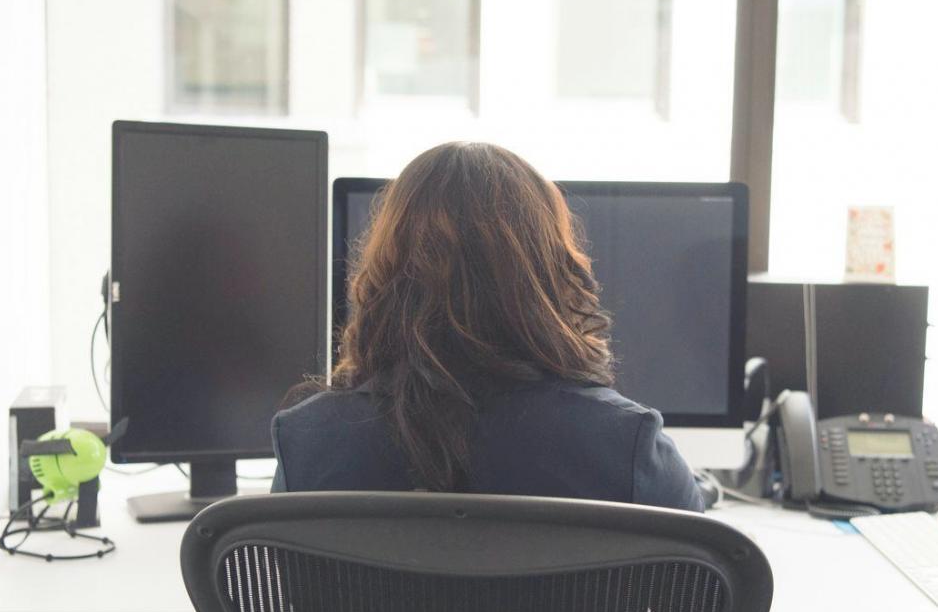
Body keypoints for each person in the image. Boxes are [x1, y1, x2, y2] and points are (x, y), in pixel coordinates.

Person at [270, 140, 703, 513]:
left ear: (386, 271)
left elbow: (285, 586)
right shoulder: (627, 444)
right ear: (548, 272)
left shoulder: (308, 442)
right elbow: (702, 594)